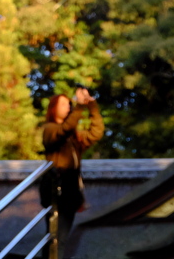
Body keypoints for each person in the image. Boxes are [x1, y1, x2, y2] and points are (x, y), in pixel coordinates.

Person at [41, 87, 104, 257]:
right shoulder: (49, 130)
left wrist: (91, 106)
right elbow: (63, 131)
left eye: (69, 104)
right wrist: (79, 107)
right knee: (55, 239)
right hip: (56, 193)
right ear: (53, 108)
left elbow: (95, 133)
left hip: (70, 194)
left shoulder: (73, 137)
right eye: (63, 104)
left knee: (61, 239)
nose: (68, 107)